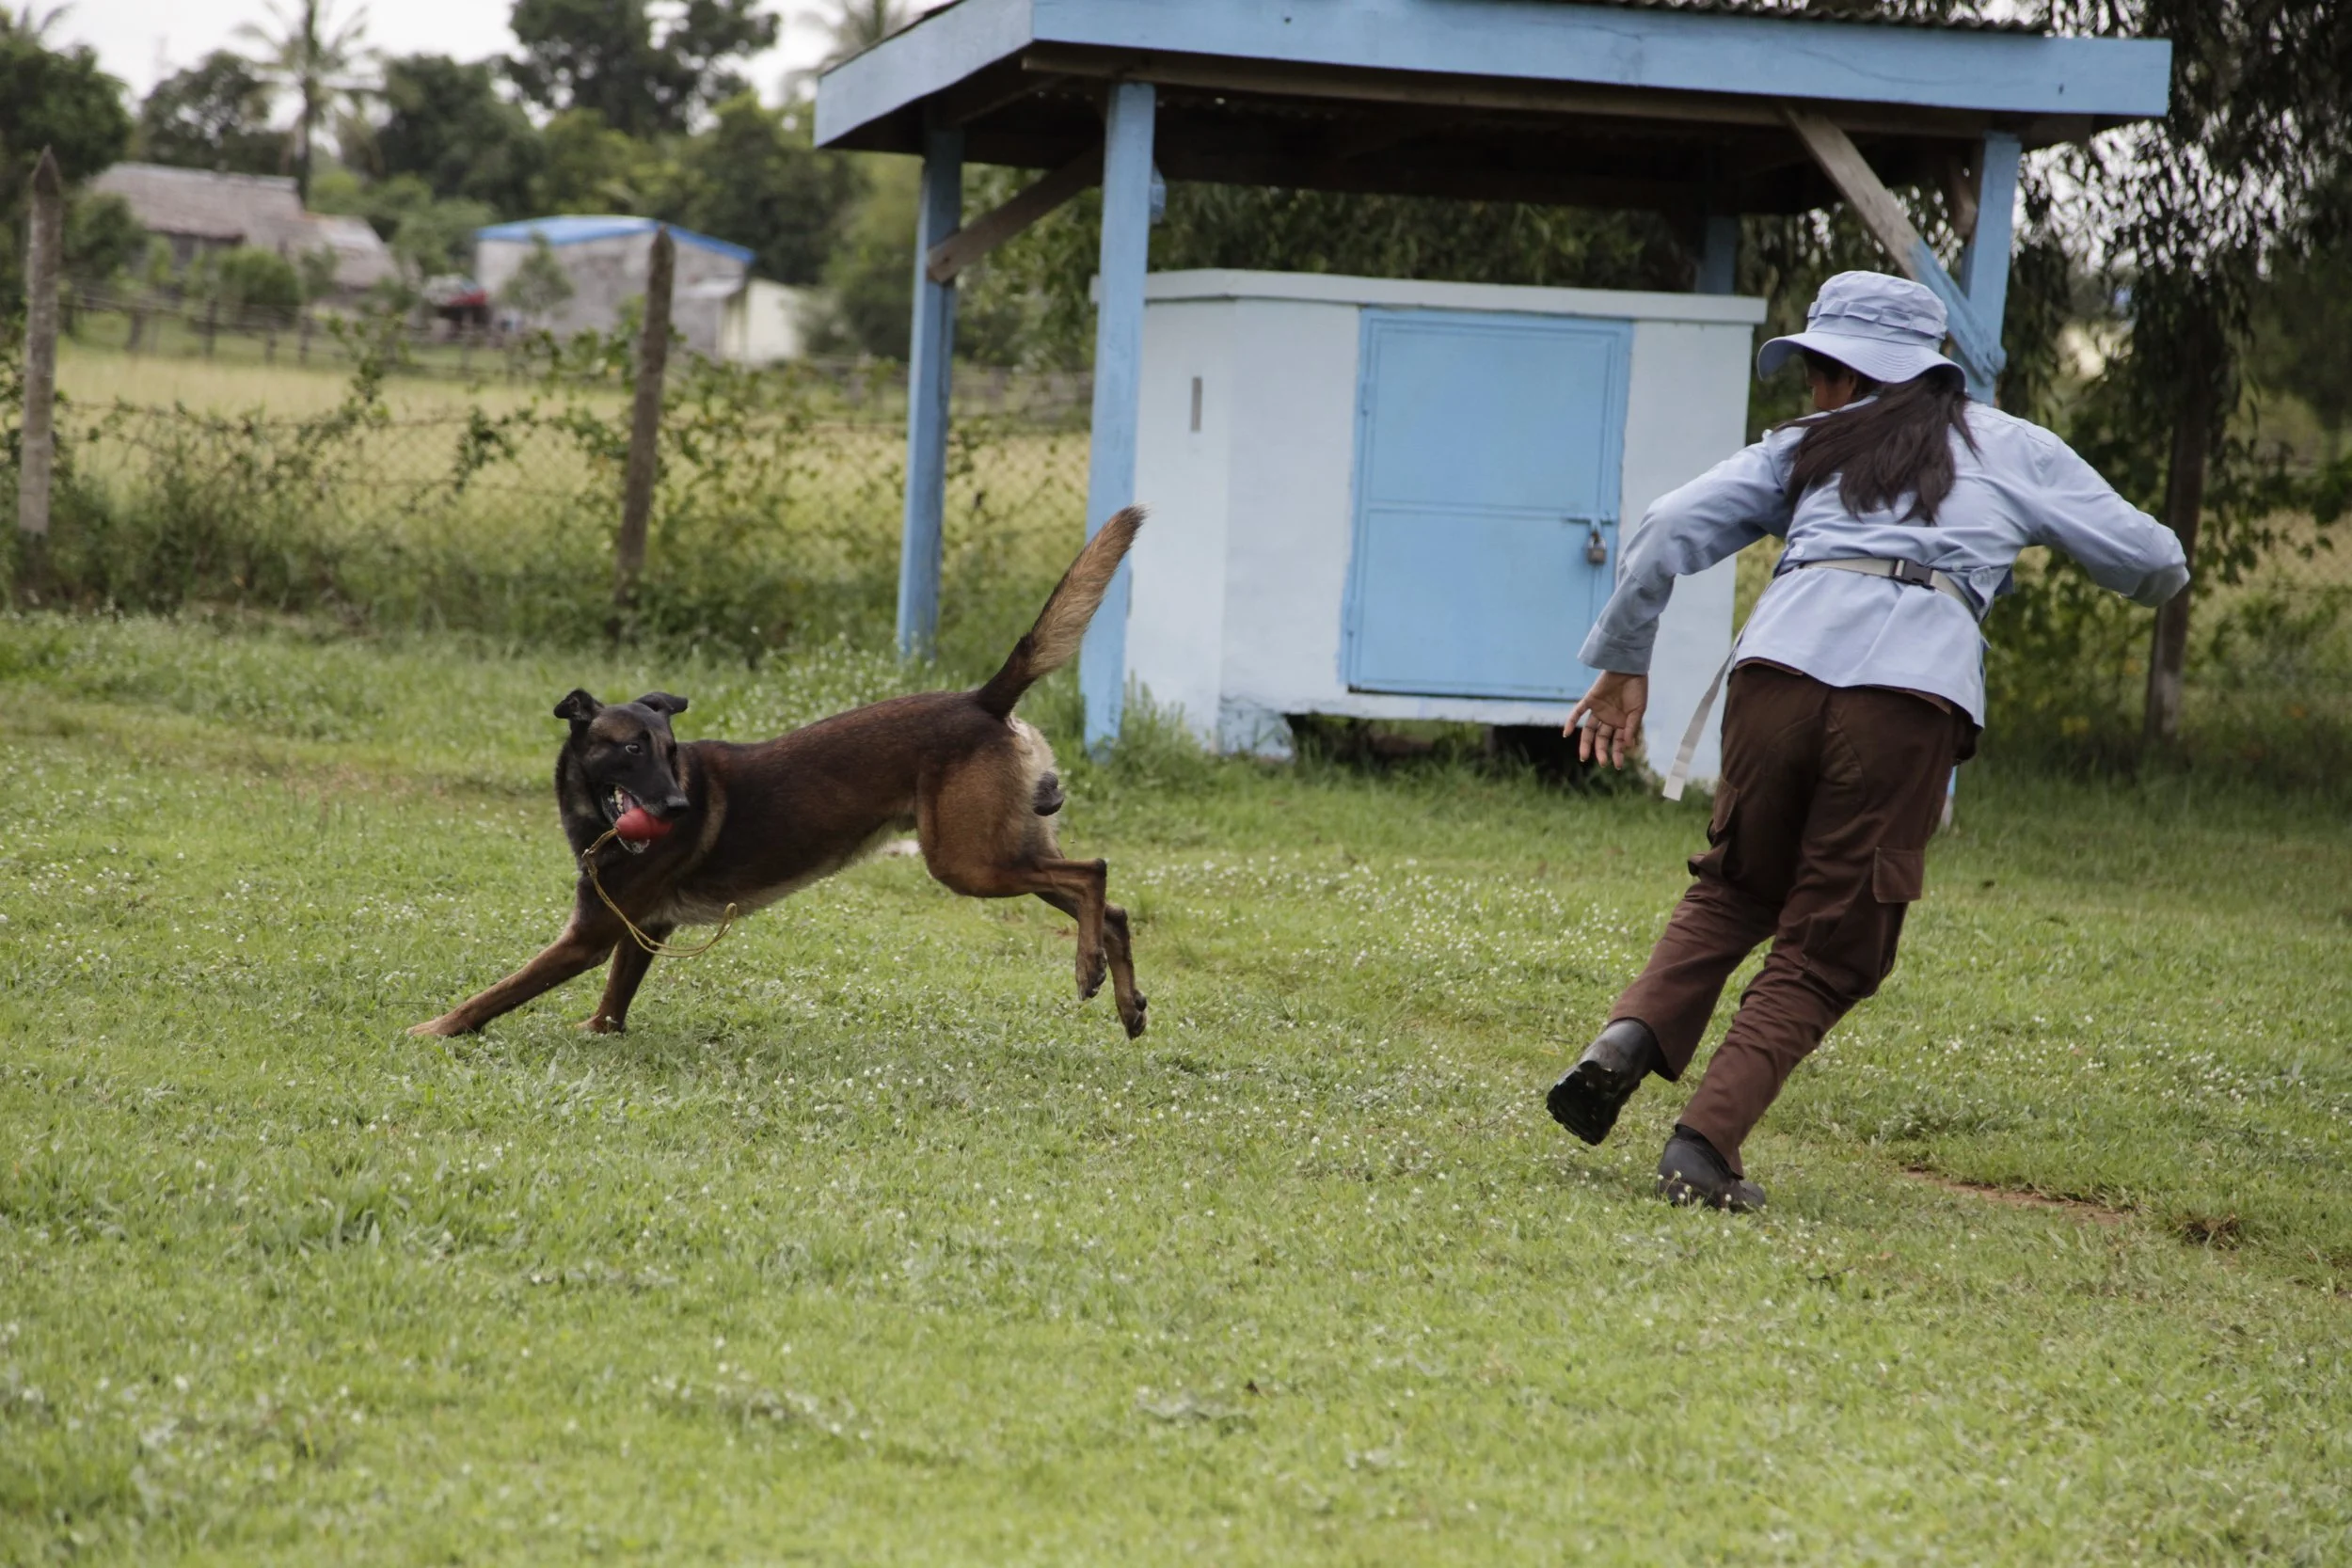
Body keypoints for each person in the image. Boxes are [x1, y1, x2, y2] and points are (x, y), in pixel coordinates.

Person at [1546, 270, 2188, 1212]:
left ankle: (1627, 1039)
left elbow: (1667, 522)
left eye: (1817, 370)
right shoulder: (2010, 447)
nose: (1811, 390)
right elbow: (2156, 560)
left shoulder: (1804, 445)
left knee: (1736, 885)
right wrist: (2025, 538)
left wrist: (1624, 661)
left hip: (1775, 676)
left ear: (1849, 375)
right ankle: (1701, 1147)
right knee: (1831, 940)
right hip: (1905, 699)